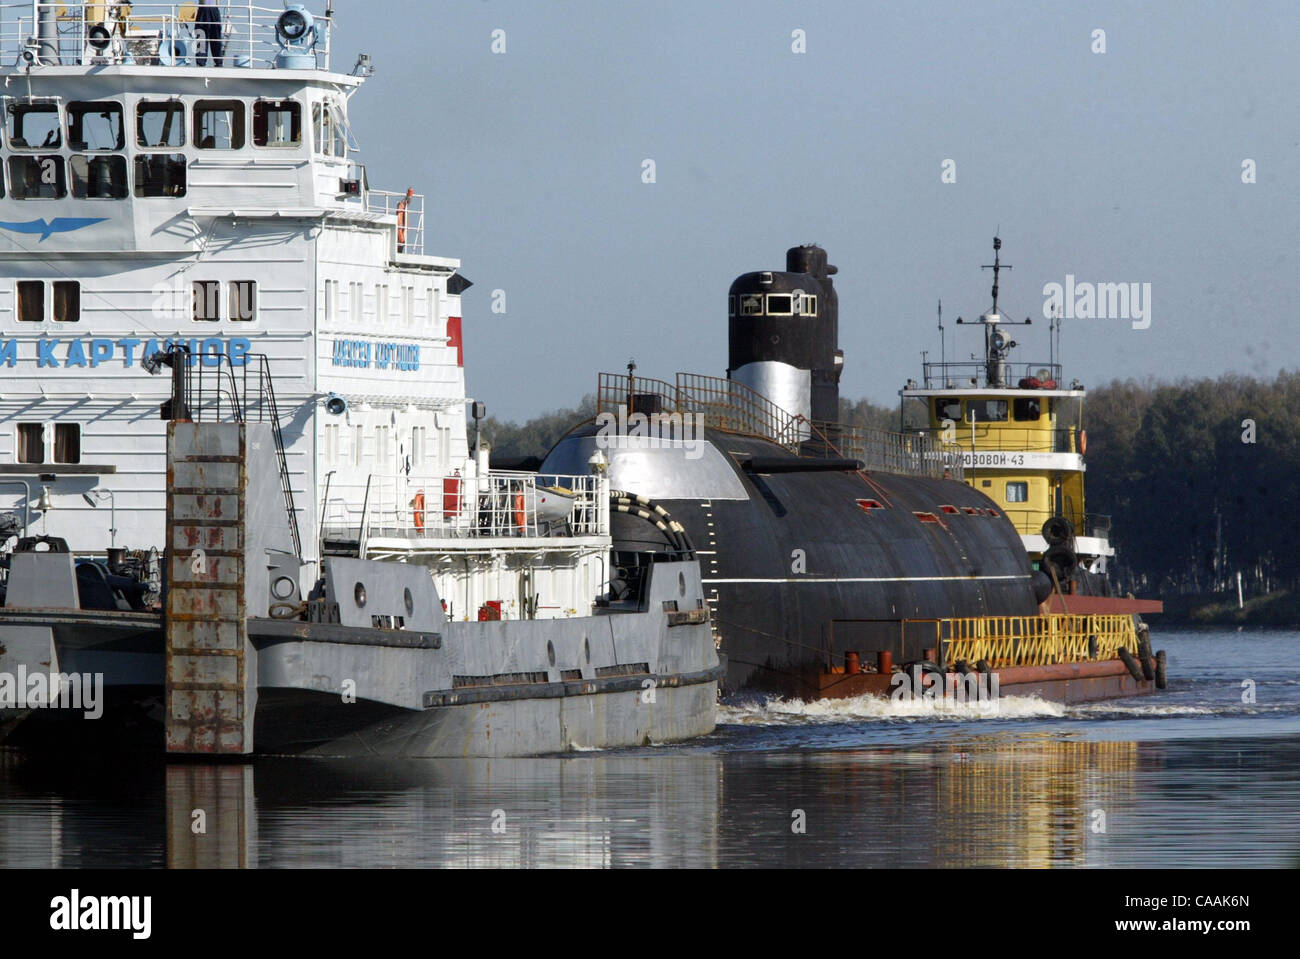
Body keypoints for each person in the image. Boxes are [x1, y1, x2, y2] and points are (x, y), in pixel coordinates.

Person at [195, 0, 225, 67]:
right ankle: (217, 62)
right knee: (205, 35)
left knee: (212, 36)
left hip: (207, 8)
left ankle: (202, 62)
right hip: (207, 8)